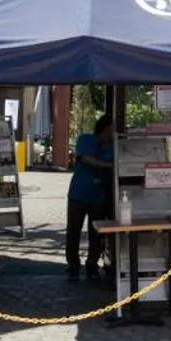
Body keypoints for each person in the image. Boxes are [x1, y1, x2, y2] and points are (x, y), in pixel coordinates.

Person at [66, 115, 114, 282]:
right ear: (105, 129)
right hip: (78, 194)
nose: (112, 133)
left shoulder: (112, 147)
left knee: (96, 233)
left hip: (98, 197)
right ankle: (73, 265)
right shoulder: (85, 140)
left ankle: (92, 263)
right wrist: (108, 166)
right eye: (111, 130)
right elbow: (85, 158)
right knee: (74, 231)